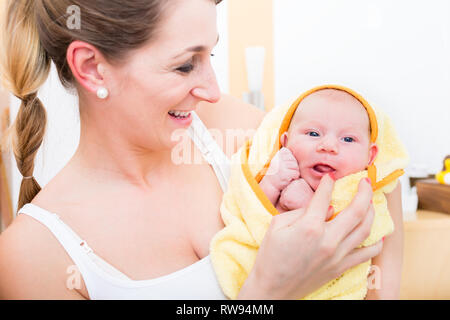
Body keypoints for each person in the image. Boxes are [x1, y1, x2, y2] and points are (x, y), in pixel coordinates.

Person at [0, 0, 388, 300]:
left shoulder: (226, 129)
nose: (212, 90)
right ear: (91, 67)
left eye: (210, 56)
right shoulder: (35, 256)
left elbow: (371, 170)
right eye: (186, 65)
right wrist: (269, 292)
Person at [259, 88, 403, 299]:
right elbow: (251, 215)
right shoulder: (277, 171)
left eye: (348, 140)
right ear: (285, 142)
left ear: (370, 156)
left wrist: (306, 204)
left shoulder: (361, 189)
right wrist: (271, 184)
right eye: (313, 134)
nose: (328, 146)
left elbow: (368, 235)